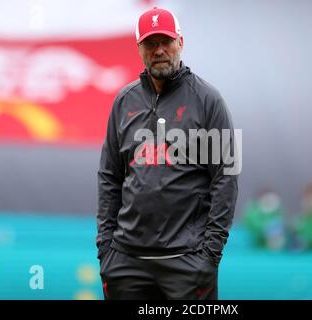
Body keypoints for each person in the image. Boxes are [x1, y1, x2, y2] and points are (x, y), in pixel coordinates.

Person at [96, 7, 239, 300]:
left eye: (166, 41)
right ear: (139, 48)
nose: (159, 50)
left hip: (187, 261)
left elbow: (226, 179)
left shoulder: (209, 100)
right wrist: (106, 249)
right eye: (150, 43)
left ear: (180, 43)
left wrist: (210, 255)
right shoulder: (124, 101)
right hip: (127, 261)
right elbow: (109, 177)